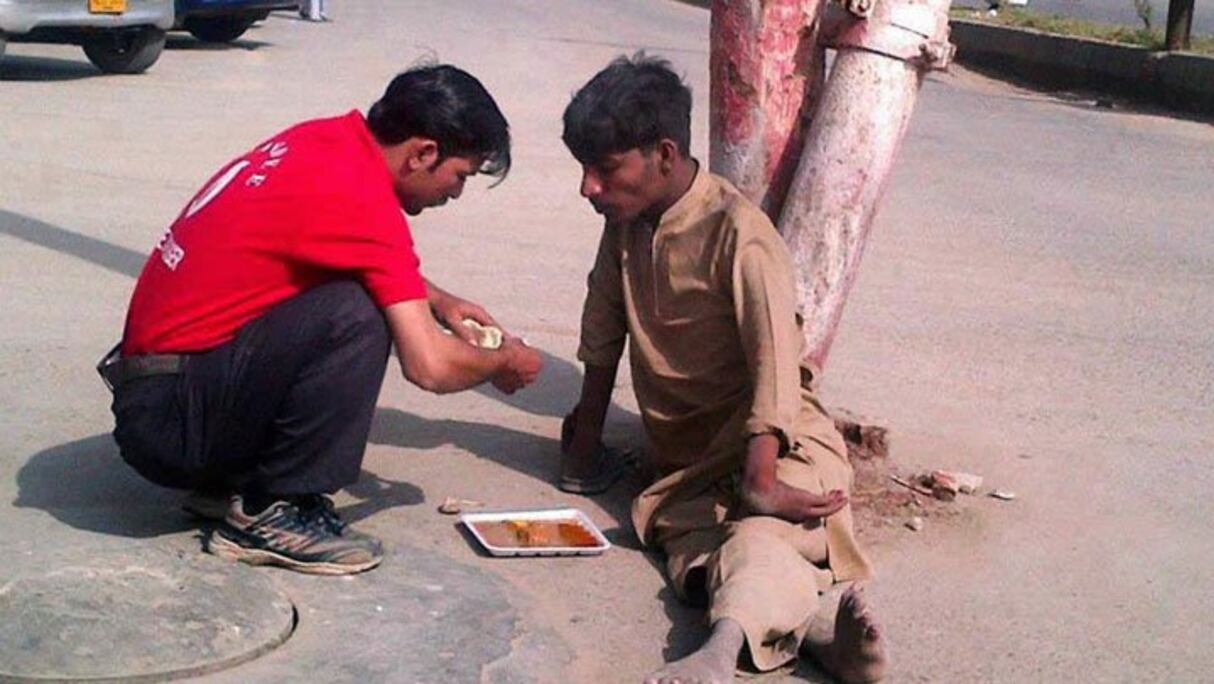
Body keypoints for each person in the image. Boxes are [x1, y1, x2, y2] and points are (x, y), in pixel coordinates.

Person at [100, 64, 543, 576]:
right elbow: (430, 367)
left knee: (354, 295)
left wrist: (439, 302)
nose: (455, 194)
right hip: (173, 424)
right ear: (423, 153)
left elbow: (335, 245)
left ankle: (230, 484)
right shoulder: (363, 199)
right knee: (357, 315)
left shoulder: (325, 141)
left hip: (162, 394)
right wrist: (502, 360)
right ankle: (270, 511)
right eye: (459, 176)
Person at [559, 54, 888, 683]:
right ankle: (813, 636)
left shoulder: (741, 234)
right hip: (688, 466)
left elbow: (776, 366)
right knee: (698, 549)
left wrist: (761, 478)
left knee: (759, 532)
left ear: (663, 152)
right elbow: (602, 335)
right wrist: (584, 446)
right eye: (584, 170)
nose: (588, 188)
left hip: (774, 444)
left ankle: (716, 655)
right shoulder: (627, 225)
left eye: (604, 170)